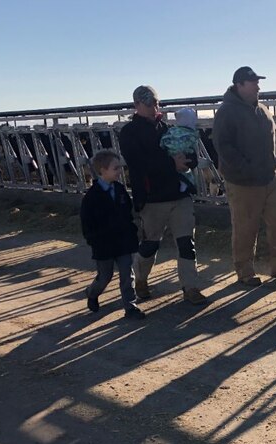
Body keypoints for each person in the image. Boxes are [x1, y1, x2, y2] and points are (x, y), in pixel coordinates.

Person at [119, 85, 208, 305]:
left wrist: (189, 161)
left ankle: (190, 287)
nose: (154, 108)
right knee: (150, 244)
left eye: (156, 103)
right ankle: (140, 278)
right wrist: (172, 164)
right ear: (137, 105)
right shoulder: (129, 133)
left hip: (179, 195)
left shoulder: (168, 128)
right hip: (152, 197)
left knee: (186, 242)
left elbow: (190, 153)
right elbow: (137, 163)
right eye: (149, 104)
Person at [212, 66, 276, 286]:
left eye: (257, 82)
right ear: (239, 85)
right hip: (242, 182)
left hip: (268, 179)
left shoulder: (263, 110)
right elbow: (223, 147)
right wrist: (246, 169)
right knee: (245, 228)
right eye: (253, 83)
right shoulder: (226, 112)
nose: (258, 86)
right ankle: (245, 272)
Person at [80, 149, 145, 319]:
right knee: (105, 277)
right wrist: (93, 240)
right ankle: (92, 293)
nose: (120, 171)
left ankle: (130, 307)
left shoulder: (120, 189)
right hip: (104, 245)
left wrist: (133, 233)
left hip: (123, 241)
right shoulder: (92, 197)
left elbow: (128, 214)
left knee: (127, 274)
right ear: (102, 170)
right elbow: (87, 223)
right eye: (115, 168)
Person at [160, 107, 199, 190]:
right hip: (182, 154)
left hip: (170, 152)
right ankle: (187, 184)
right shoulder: (191, 134)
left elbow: (164, 139)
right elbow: (192, 145)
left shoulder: (172, 130)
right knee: (185, 169)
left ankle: (182, 183)